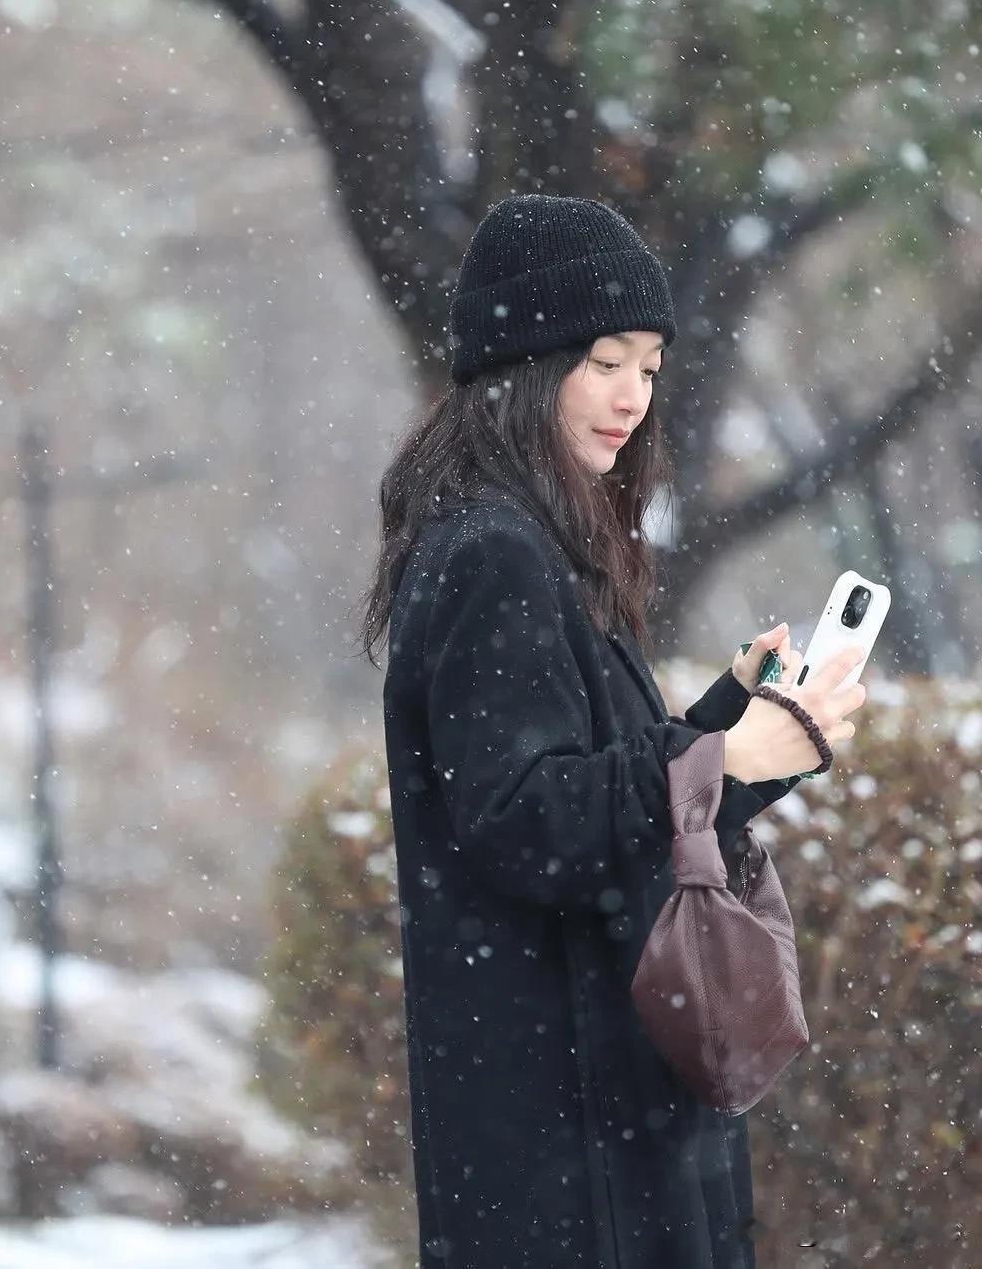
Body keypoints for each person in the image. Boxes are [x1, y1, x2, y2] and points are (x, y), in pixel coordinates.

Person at [358, 194, 867, 1268]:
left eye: (648, 365)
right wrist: (722, 759)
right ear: (523, 366)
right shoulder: (497, 553)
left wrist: (738, 722)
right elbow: (525, 821)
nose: (633, 396)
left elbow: (600, 794)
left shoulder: (535, 540)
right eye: (603, 361)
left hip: (593, 1113)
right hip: (566, 1137)